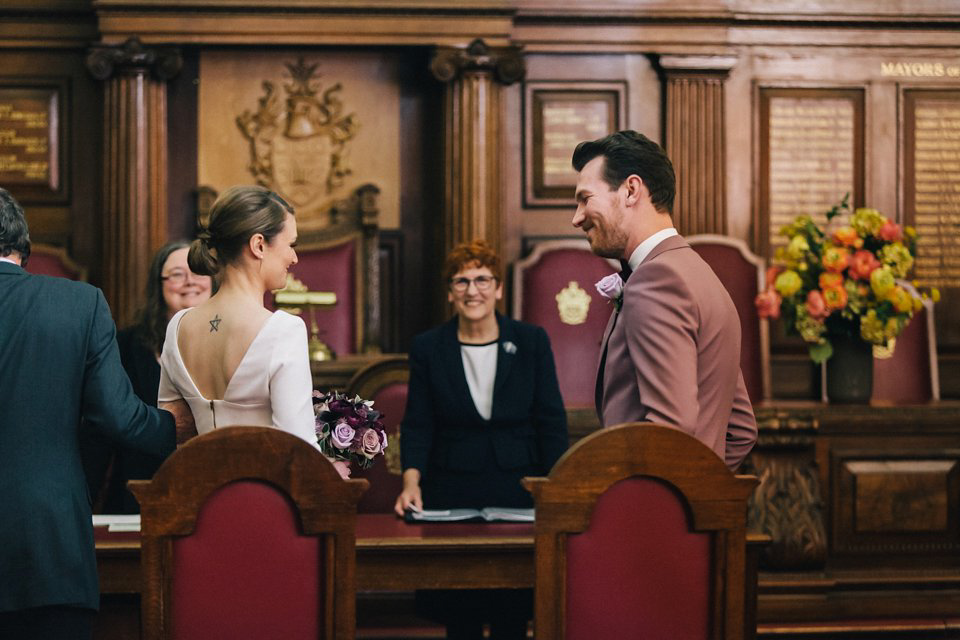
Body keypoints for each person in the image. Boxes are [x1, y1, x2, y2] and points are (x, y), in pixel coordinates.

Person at [0, 188, 177, 639]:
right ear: (22, 246)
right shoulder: (78, 304)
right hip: (47, 545)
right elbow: (117, 417)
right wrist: (183, 428)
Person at [394, 239, 568, 640]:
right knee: (462, 615)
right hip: (452, 490)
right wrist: (411, 482)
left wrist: (557, 489)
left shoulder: (531, 341)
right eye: (461, 281)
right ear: (449, 292)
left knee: (513, 612)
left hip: (519, 489)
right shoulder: (428, 347)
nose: (473, 290)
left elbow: (550, 421)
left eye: (482, 279)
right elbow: (418, 423)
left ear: (500, 288)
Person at [572, 130, 757, 470]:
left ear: (631, 190)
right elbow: (741, 429)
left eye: (585, 198)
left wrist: (659, 505)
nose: (577, 217)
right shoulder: (699, 272)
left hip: (649, 516)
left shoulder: (656, 280)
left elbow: (669, 431)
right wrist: (699, 491)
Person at [157, 185, 347, 475]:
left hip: (198, 500)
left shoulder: (178, 326)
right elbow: (297, 449)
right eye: (291, 244)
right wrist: (330, 472)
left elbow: (174, 431)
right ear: (258, 245)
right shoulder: (284, 330)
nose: (294, 258)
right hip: (263, 503)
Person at [81, 240, 213, 513]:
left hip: (212, 491)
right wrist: (83, 505)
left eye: (198, 271)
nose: (190, 281)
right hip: (138, 494)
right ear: (159, 284)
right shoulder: (125, 345)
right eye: (177, 274)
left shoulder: (234, 342)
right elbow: (101, 429)